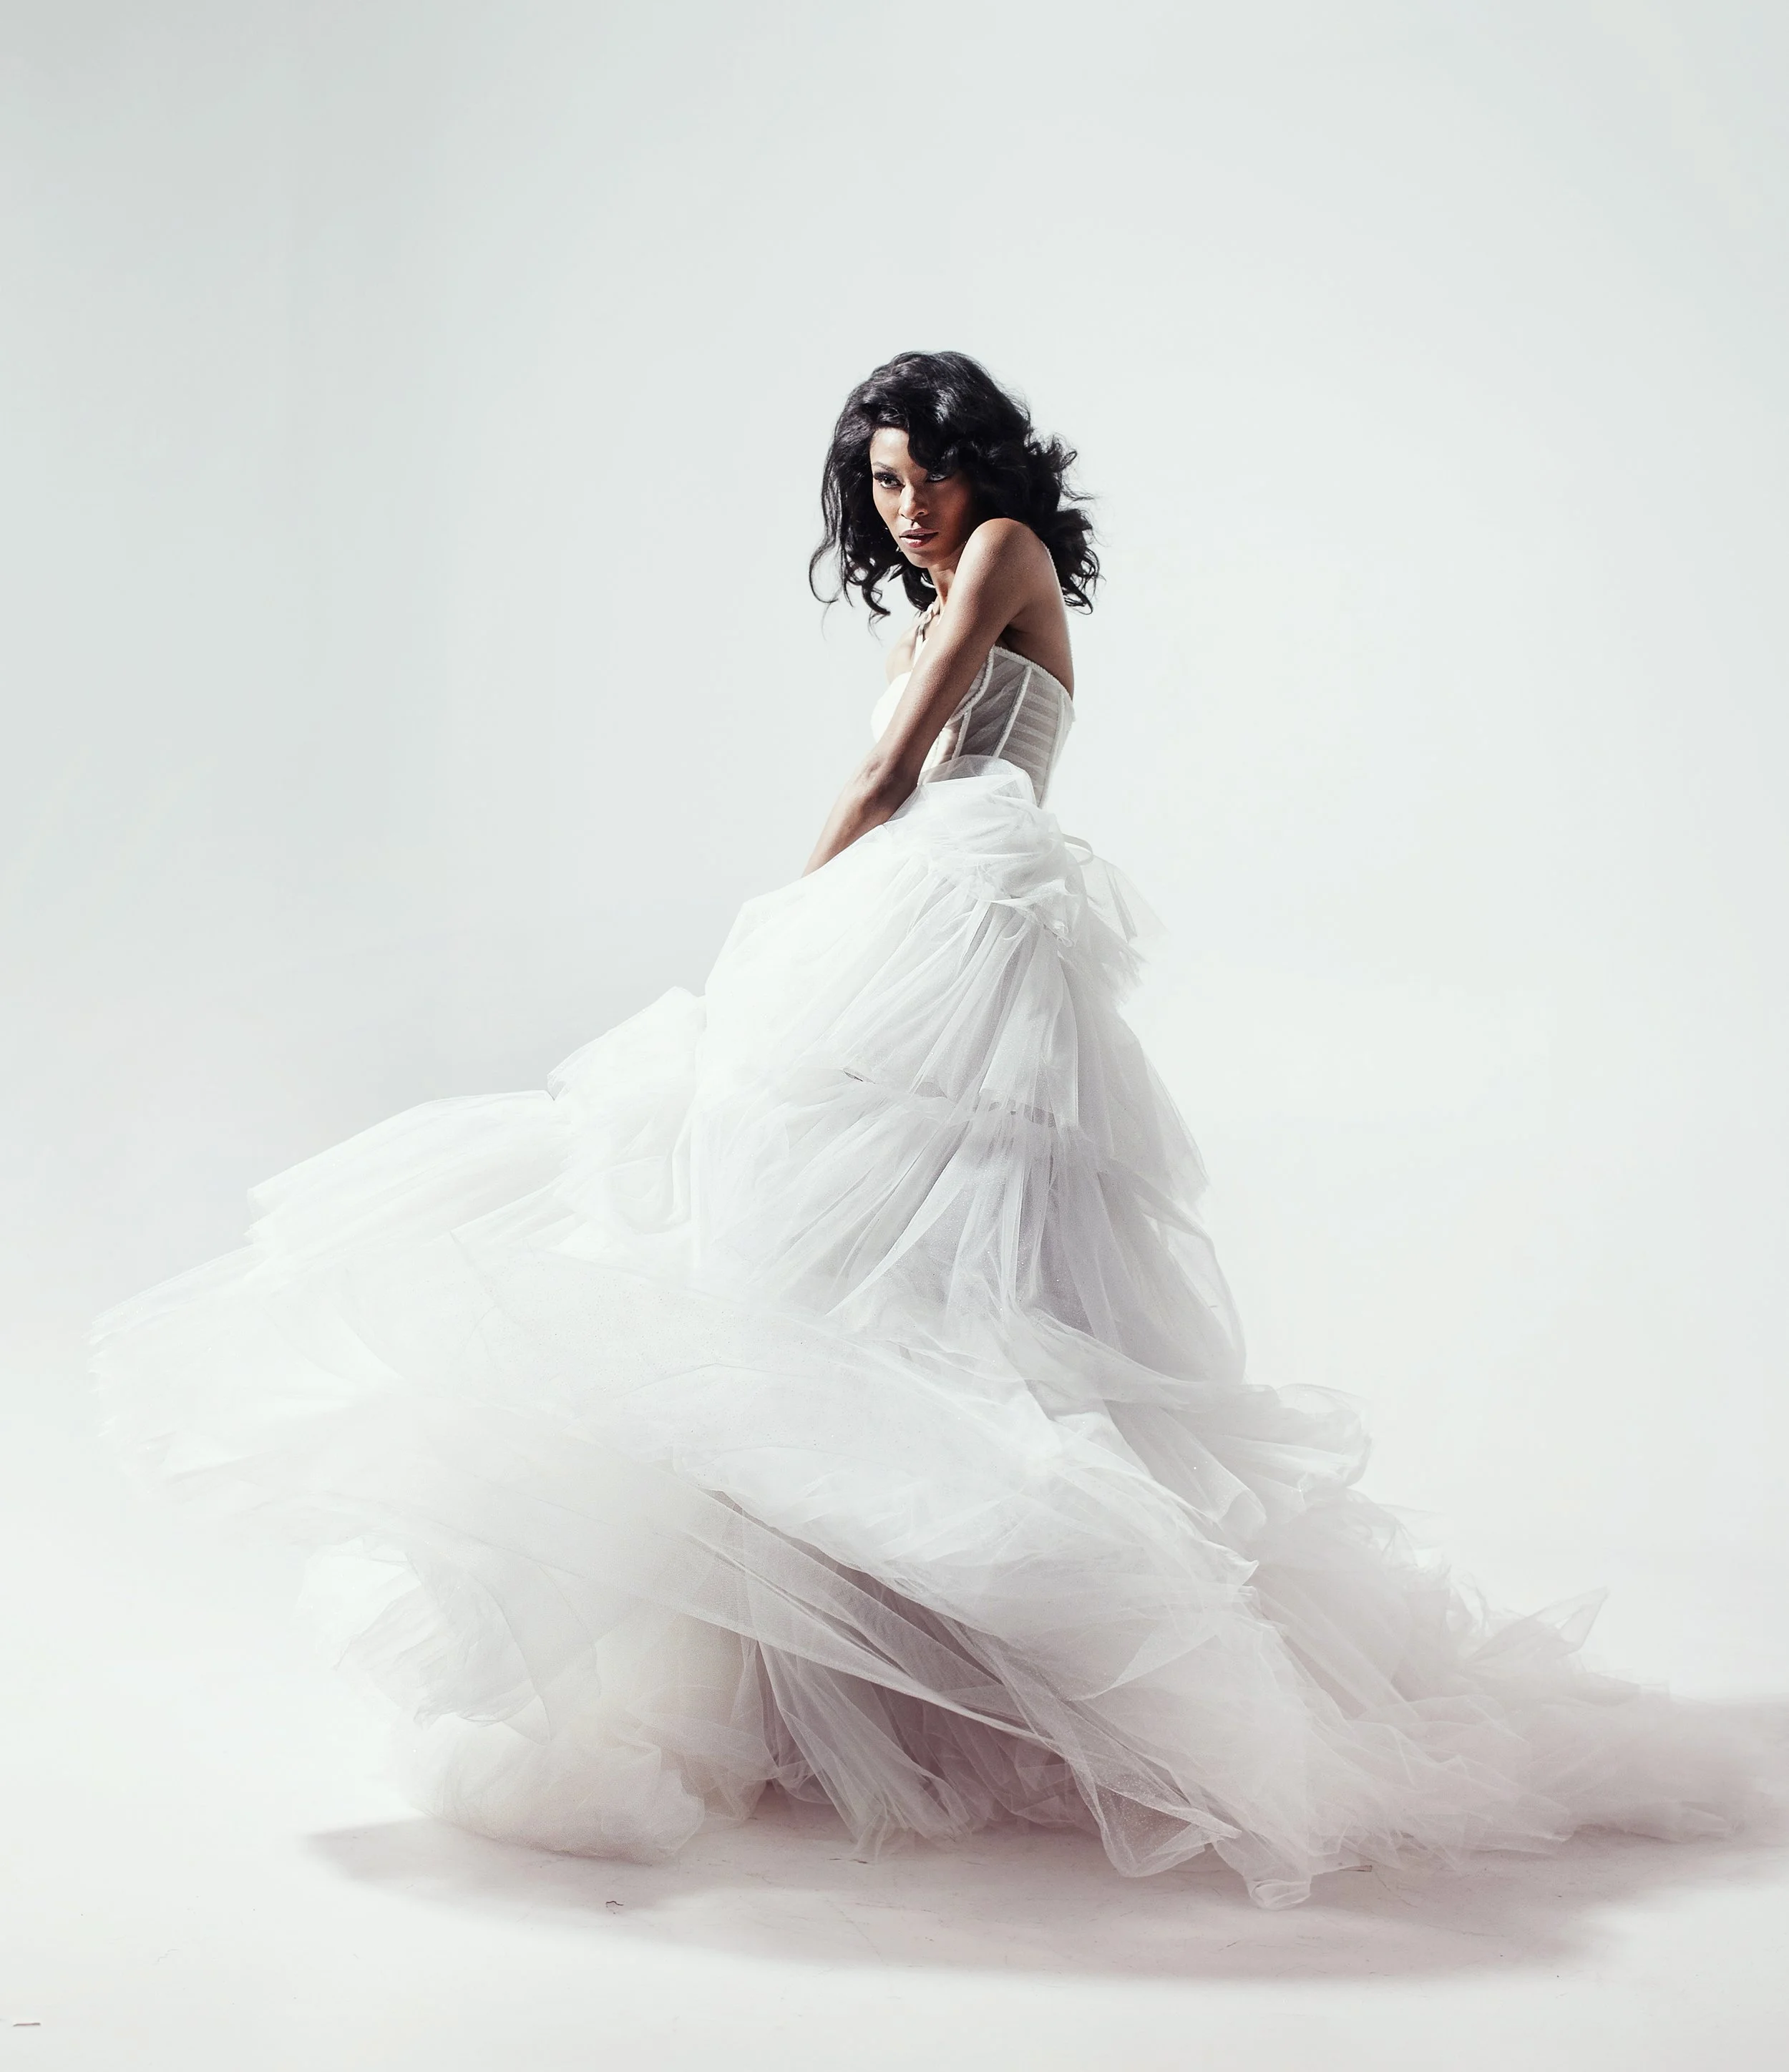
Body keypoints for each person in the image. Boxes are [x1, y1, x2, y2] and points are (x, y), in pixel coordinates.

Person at [95, 351, 1768, 1910]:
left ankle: (1044, 1682)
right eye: (881, 483)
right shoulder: (936, 583)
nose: (906, 506)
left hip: (959, 938)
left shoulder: (1004, 556)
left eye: (924, 470)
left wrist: (788, 909)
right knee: (829, 1294)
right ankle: (857, 1692)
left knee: (976, 1309)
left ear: (983, 465)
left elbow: (905, 757)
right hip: (915, 937)